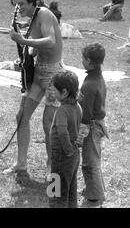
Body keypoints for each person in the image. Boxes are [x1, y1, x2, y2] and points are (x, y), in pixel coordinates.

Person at [5, 0, 63, 179]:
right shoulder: (31, 20)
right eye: (15, 5)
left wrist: (25, 42)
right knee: (21, 116)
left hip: (53, 74)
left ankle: (51, 167)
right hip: (39, 73)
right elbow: (37, 49)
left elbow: (51, 40)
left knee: (49, 124)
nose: (18, 8)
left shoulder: (44, 13)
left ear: (31, 1)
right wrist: (27, 54)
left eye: (21, 4)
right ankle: (21, 164)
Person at [78, 43, 108, 208]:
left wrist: (81, 134)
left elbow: (87, 113)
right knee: (93, 160)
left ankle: (95, 198)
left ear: (89, 61)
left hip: (92, 126)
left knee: (90, 163)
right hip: (97, 125)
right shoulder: (97, 77)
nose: (81, 60)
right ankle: (94, 190)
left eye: (83, 58)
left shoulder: (89, 84)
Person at [48, 70, 82, 208]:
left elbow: (62, 132)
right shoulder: (77, 107)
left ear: (64, 92)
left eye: (55, 90)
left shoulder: (62, 110)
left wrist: (67, 150)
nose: (52, 92)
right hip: (73, 156)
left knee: (55, 193)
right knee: (70, 190)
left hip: (62, 157)